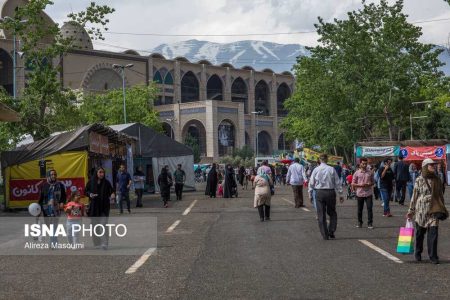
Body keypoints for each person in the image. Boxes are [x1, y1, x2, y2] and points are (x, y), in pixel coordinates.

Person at [407, 159, 447, 264]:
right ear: (425, 167)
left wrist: (442, 208)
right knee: (420, 234)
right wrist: (411, 210)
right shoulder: (419, 180)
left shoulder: (437, 179)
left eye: (434, 165)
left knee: (433, 234)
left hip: (433, 209)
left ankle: (433, 256)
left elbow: (440, 195)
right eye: (431, 165)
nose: (433, 167)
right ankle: (418, 253)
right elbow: (414, 195)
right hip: (421, 211)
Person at [308, 154, 344, 240]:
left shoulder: (316, 169)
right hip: (330, 192)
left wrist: (310, 194)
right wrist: (341, 194)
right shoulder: (331, 169)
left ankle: (325, 234)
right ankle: (331, 230)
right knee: (332, 213)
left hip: (319, 192)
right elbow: (337, 182)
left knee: (321, 214)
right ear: (327, 160)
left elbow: (311, 183)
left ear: (319, 160)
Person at [85, 167, 115, 249]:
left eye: (103, 172)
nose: (102, 174)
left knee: (103, 225)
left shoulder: (106, 182)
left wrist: (112, 194)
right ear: (96, 173)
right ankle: (97, 243)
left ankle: (105, 243)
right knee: (95, 226)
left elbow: (112, 190)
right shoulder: (91, 182)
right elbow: (86, 191)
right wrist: (90, 194)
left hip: (104, 207)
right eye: (100, 172)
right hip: (94, 207)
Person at [39, 169, 67, 247]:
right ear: (49, 176)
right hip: (46, 209)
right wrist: (39, 208)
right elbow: (41, 198)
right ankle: (55, 241)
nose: (53, 176)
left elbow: (64, 196)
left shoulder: (60, 185)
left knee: (54, 225)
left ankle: (52, 242)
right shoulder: (44, 185)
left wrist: (62, 202)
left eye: (55, 174)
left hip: (56, 208)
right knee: (49, 225)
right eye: (52, 174)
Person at [352, 158, 374, 229]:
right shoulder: (356, 173)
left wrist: (369, 183)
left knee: (369, 208)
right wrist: (360, 185)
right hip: (360, 193)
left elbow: (373, 182)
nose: (364, 165)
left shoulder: (370, 172)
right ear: (360, 164)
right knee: (360, 209)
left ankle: (370, 223)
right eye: (363, 163)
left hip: (368, 193)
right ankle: (360, 222)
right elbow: (353, 183)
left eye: (366, 164)